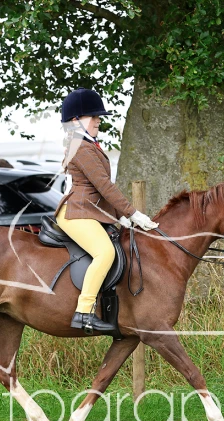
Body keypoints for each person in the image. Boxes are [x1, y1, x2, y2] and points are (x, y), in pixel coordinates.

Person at [54, 88, 159, 334]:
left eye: (97, 116)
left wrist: (119, 216)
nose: (98, 120)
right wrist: (132, 213)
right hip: (76, 212)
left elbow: (97, 191)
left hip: (87, 210)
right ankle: (84, 312)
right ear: (75, 121)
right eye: (92, 116)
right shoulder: (81, 147)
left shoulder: (86, 144)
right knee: (104, 252)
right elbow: (103, 185)